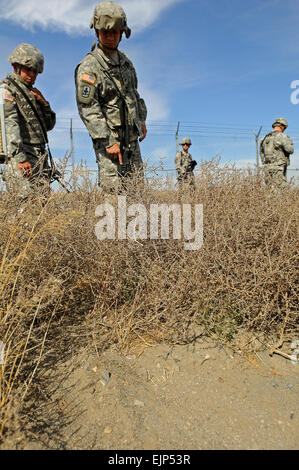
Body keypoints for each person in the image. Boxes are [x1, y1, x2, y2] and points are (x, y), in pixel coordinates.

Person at [75, 1, 147, 195]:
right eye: (105, 32)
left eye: (115, 32)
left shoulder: (126, 63)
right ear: (97, 32)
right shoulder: (89, 67)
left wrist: (141, 120)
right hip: (110, 144)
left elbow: (134, 94)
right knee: (114, 197)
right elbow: (88, 108)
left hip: (132, 141)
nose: (110, 36)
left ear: (122, 33)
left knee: (137, 193)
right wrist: (108, 141)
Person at [0, 43, 56, 199]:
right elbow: (10, 123)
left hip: (39, 156)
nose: (32, 75)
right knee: (25, 206)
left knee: (41, 204)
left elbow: (49, 125)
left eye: (35, 72)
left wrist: (43, 102)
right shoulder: (7, 90)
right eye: (28, 69)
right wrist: (20, 158)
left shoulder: (32, 93)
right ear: (15, 67)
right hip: (23, 157)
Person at [260, 118, 294, 190]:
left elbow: (262, 154)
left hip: (267, 168)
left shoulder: (264, 138)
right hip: (279, 168)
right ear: (282, 126)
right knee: (279, 190)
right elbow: (290, 150)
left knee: (269, 190)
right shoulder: (282, 136)